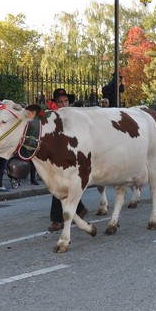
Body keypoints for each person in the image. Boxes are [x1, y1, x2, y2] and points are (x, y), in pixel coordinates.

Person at [47, 91, 88, 232]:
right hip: (58, 157)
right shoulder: (51, 118)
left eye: (66, 101)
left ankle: (58, 219)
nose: (64, 104)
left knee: (64, 187)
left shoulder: (76, 117)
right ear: (55, 104)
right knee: (60, 186)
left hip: (75, 156)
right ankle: (79, 209)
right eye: (60, 102)